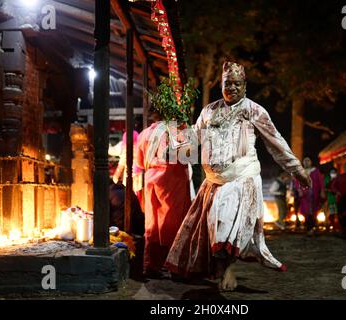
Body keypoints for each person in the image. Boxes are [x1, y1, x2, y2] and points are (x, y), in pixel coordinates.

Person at [165, 62, 311, 291]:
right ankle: (219, 270)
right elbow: (193, 138)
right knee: (213, 228)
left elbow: (276, 142)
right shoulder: (209, 111)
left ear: (244, 86)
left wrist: (297, 170)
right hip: (214, 181)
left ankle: (228, 270)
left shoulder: (254, 111)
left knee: (224, 223)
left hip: (241, 178)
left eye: (236, 84)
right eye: (227, 83)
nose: (231, 87)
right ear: (221, 85)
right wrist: (173, 141)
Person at [135, 108, 192, 278]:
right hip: (173, 180)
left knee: (153, 225)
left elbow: (139, 161)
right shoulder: (177, 131)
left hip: (152, 179)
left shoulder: (144, 134)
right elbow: (190, 157)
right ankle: (175, 266)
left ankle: (151, 265)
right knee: (175, 224)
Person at [294, 157, 324, 236]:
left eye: (308, 160)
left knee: (313, 211)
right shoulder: (300, 171)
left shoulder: (315, 171)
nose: (306, 162)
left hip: (314, 194)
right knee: (306, 211)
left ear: (311, 162)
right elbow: (297, 182)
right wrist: (299, 190)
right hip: (304, 195)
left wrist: (322, 191)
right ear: (303, 162)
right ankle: (309, 228)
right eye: (305, 160)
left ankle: (311, 228)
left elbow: (320, 181)